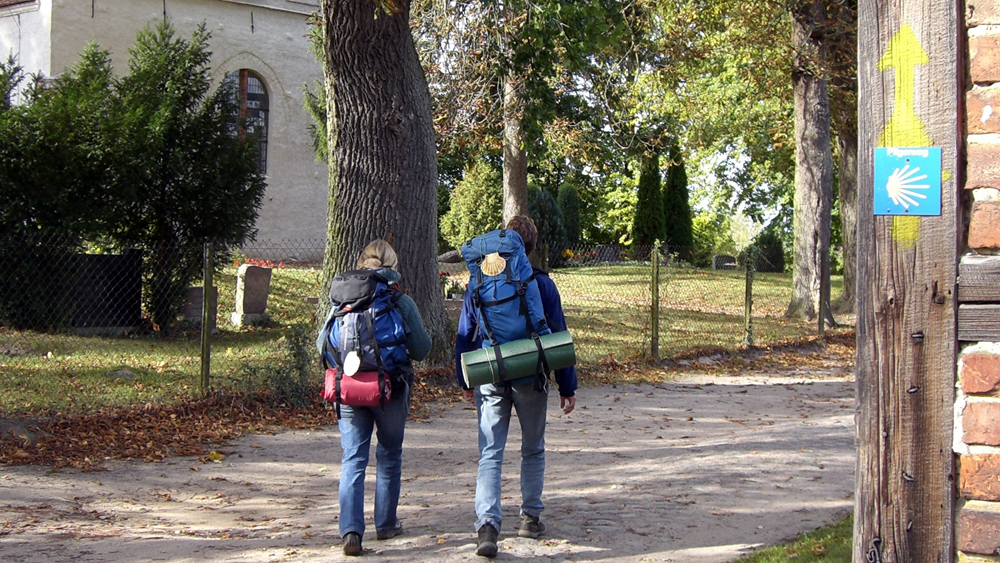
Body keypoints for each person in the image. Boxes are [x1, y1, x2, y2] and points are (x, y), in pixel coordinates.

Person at [454, 216, 578, 558]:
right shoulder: (542, 283)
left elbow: (466, 332)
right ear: (532, 246)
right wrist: (567, 385)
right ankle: (529, 517)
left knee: (490, 452)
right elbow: (557, 334)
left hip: (491, 373)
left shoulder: (479, 280)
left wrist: (465, 378)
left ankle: (487, 527)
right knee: (532, 447)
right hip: (530, 374)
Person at [331, 239, 431, 556]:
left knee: (353, 459)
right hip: (390, 388)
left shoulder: (342, 301)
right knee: (389, 454)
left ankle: (350, 531)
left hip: (348, 389)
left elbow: (325, 347)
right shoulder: (400, 302)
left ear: (362, 264)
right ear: (393, 268)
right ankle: (386, 524)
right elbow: (423, 349)